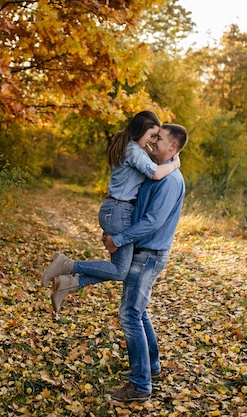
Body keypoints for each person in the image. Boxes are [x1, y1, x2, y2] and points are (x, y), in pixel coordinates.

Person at [41, 111, 180, 314]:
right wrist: (175, 164)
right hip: (119, 210)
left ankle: (67, 285)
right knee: (120, 271)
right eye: (152, 135)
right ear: (140, 131)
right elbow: (158, 173)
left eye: (156, 137)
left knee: (119, 270)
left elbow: (154, 163)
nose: (152, 141)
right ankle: (67, 265)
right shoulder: (133, 150)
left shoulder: (133, 148)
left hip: (117, 210)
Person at [102, 123, 187, 402]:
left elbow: (152, 222)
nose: (153, 143)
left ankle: (140, 386)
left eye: (159, 139)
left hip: (149, 254)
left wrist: (120, 239)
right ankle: (150, 368)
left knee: (130, 315)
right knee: (139, 313)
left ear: (172, 147)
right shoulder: (157, 173)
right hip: (143, 251)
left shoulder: (171, 181)